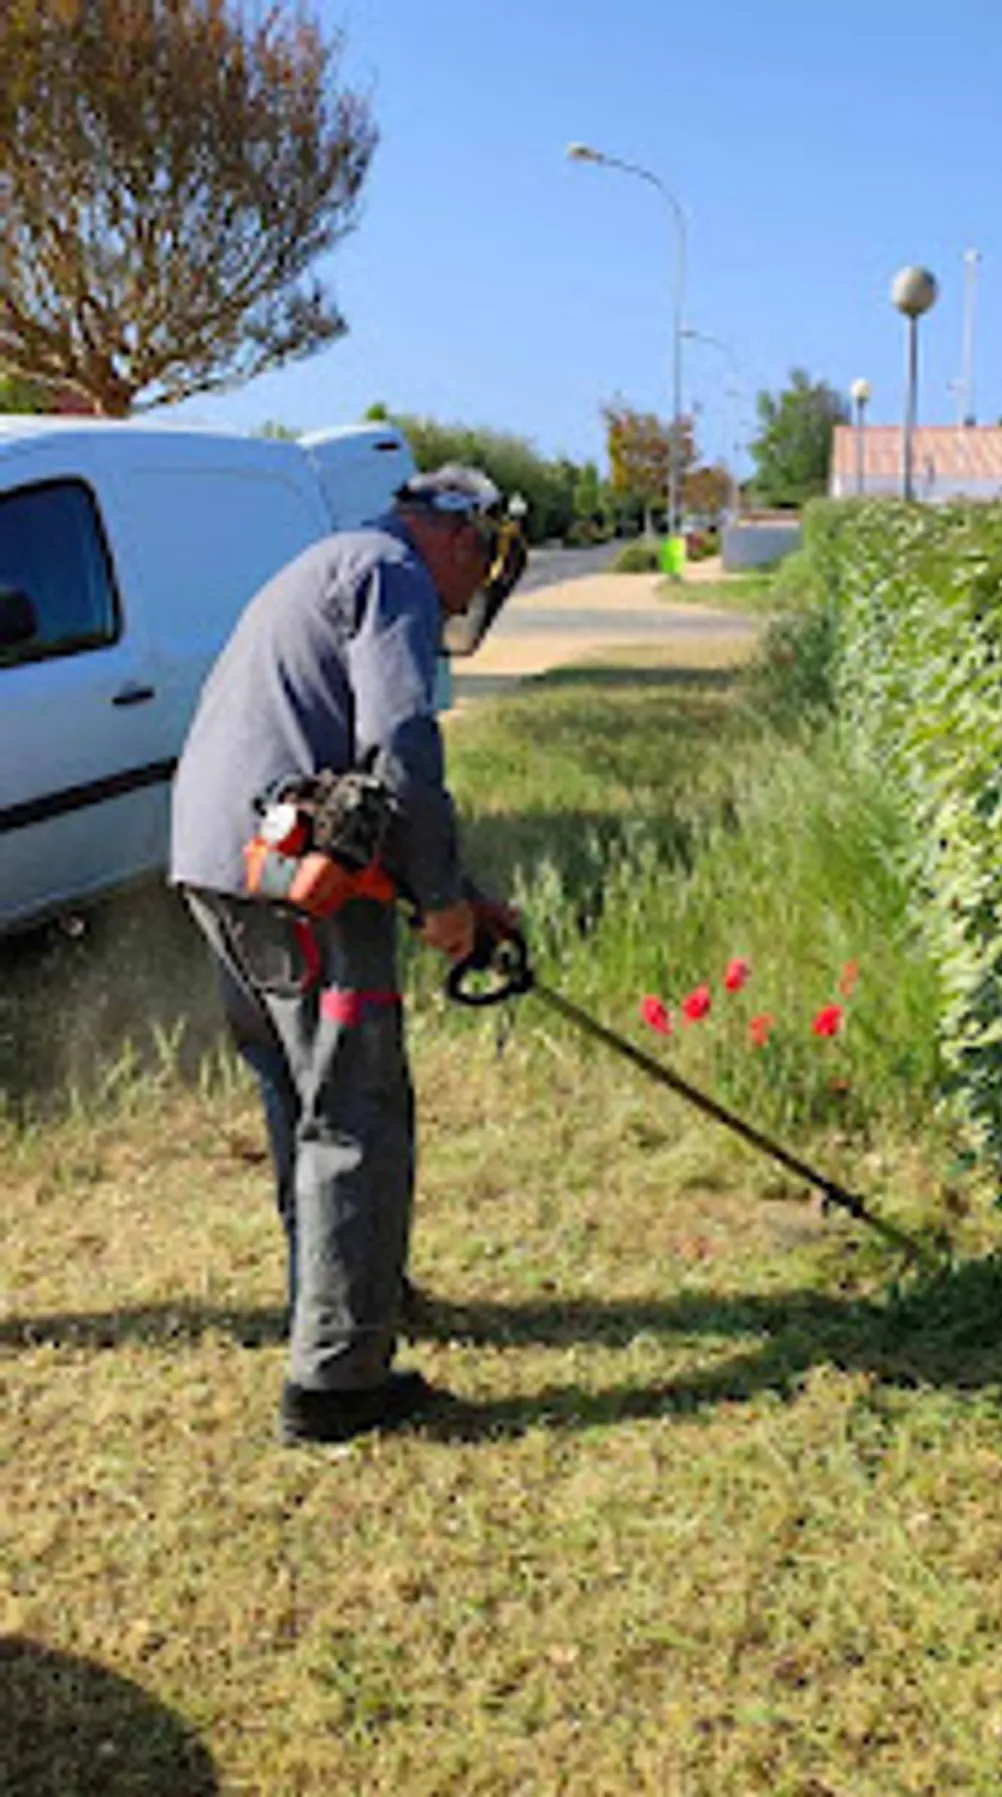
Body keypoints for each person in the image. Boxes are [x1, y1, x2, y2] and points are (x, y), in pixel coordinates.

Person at [170, 466, 522, 1446]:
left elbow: (354, 777)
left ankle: (345, 1296)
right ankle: (335, 1386)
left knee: (299, 1099)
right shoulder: (393, 575)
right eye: (481, 555)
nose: (478, 581)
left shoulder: (331, 563)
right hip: (298, 892)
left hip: (220, 868)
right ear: (450, 533)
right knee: (356, 1110)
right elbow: (401, 748)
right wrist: (444, 905)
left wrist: (457, 892)